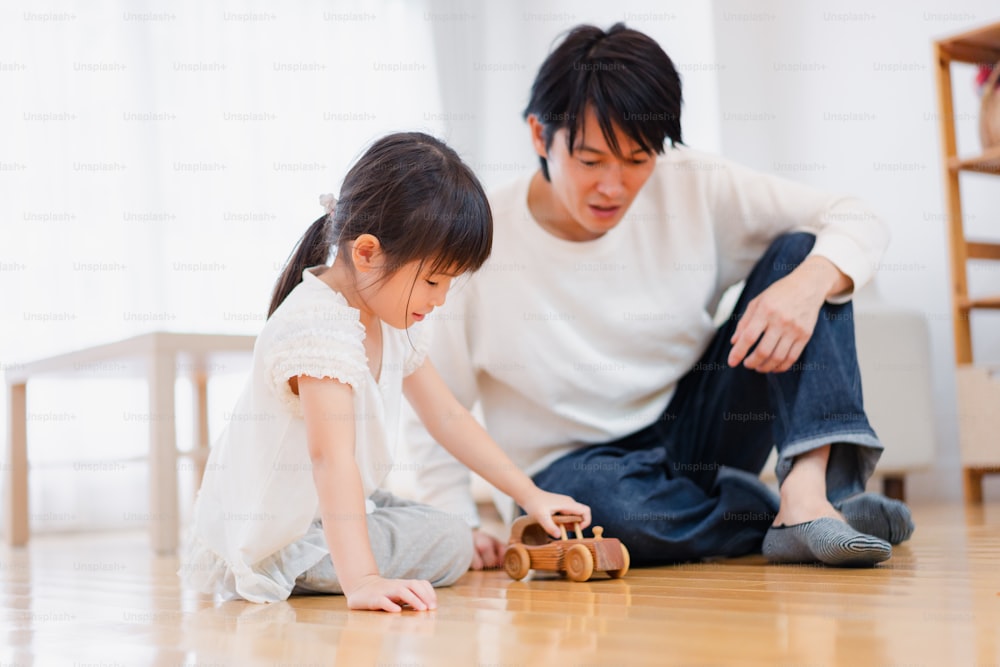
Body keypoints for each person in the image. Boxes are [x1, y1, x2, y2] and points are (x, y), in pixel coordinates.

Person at [405, 24, 914, 569]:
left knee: (808, 253)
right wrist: (457, 519)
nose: (614, 186)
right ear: (539, 136)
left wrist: (809, 282)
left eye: (637, 158)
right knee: (613, 513)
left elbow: (857, 218)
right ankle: (786, 517)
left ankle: (808, 492)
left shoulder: (695, 185)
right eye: (591, 160)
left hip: (695, 427)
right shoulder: (480, 239)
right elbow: (438, 399)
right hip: (576, 469)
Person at [180, 132, 591, 612]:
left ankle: (428, 542)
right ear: (367, 252)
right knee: (454, 539)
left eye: (449, 284)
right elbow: (331, 462)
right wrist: (365, 582)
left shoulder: (386, 316)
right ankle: (390, 557)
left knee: (436, 524)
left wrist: (531, 493)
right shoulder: (319, 326)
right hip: (282, 538)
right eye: (434, 280)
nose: (439, 300)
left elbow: (448, 417)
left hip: (321, 510)